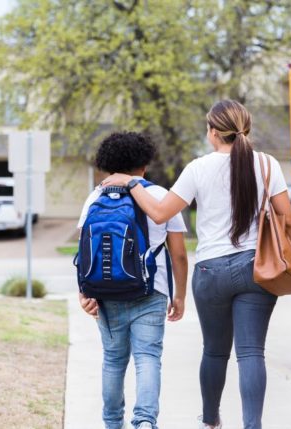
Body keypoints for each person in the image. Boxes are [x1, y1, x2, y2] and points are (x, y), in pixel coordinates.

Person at [102, 100, 291, 429]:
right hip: (256, 269)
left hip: (210, 271)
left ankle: (210, 421)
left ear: (214, 132)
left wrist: (133, 184)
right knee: (251, 353)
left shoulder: (198, 168)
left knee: (215, 352)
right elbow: (287, 219)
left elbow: (160, 212)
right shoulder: (267, 165)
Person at [78, 131, 189, 429]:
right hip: (150, 291)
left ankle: (113, 423)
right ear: (143, 164)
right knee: (148, 357)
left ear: (108, 164)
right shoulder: (159, 196)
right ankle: (144, 422)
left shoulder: (95, 196)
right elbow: (178, 254)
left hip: (104, 293)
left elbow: (84, 250)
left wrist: (83, 293)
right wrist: (180, 295)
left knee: (113, 360)